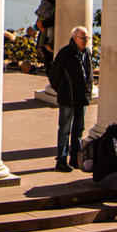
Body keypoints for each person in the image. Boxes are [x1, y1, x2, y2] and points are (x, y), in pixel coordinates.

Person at [50, 26, 93, 172]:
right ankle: (61, 160)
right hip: (68, 100)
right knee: (65, 129)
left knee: (79, 129)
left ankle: (75, 158)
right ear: (75, 38)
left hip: (82, 99)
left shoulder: (87, 52)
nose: (86, 41)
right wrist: (64, 92)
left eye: (87, 38)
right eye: (83, 38)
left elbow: (89, 75)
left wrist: (88, 94)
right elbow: (54, 76)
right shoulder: (65, 53)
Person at [34, 0, 56, 70]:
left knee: (42, 33)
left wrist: (38, 26)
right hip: (47, 29)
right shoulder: (53, 0)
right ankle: (46, 45)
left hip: (42, 19)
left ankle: (41, 47)